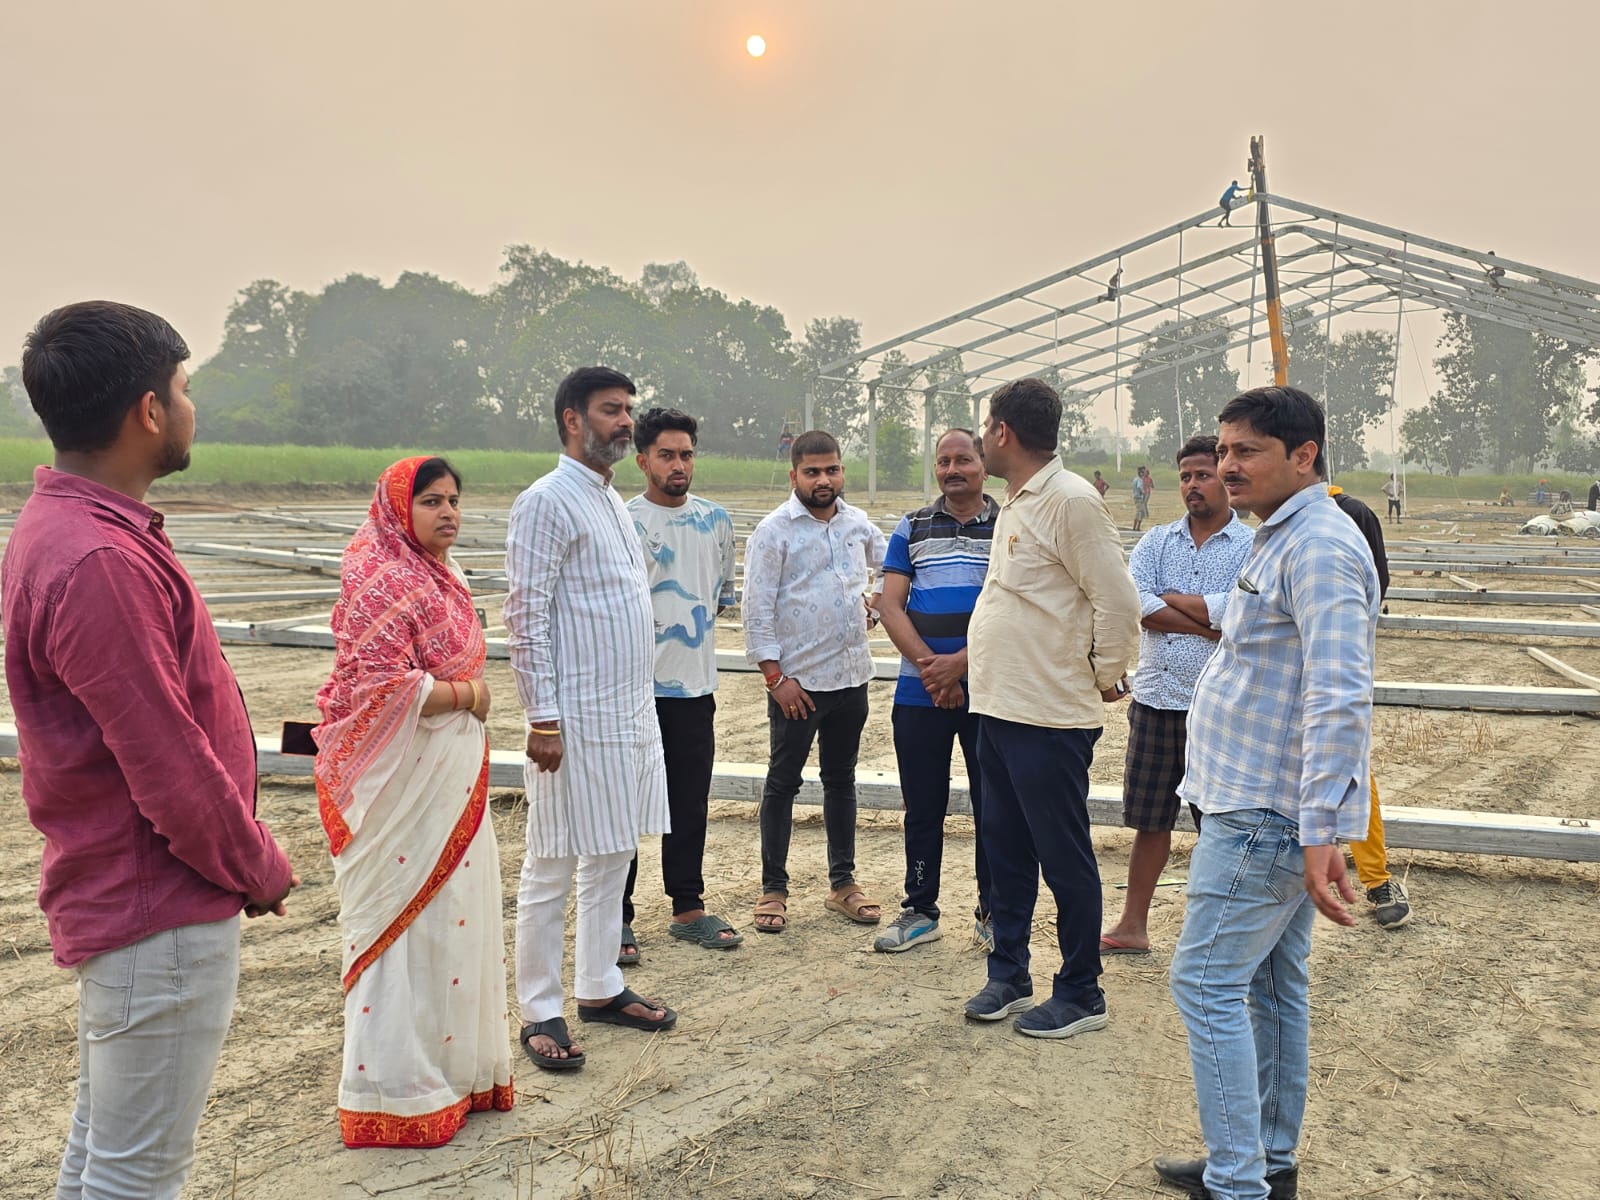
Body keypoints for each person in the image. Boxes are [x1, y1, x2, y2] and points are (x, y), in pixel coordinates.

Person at [2, 301, 298, 1198]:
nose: (191, 404)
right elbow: (167, 764)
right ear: (148, 412)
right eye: (185, 386)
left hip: (135, 898)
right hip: (155, 907)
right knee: (138, 1179)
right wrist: (257, 865)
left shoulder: (74, 531)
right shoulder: (99, 560)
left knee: (103, 1160)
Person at [1156, 386, 1380, 1200]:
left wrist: (1325, 827)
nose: (1225, 467)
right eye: (1223, 451)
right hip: (1254, 802)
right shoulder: (1278, 536)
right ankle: (1264, 1160)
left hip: (1267, 813)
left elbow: (1339, 692)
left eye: (1245, 452)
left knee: (1206, 981)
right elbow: (1253, 624)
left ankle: (1240, 1183)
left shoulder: (1320, 546)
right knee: (1272, 985)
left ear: (1305, 455)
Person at [313, 456, 514, 1146]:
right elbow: (381, 690)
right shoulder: (381, 578)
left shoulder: (445, 576)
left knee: (456, 918)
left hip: (451, 774)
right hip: (404, 784)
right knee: (404, 927)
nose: (448, 512)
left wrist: (464, 705)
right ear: (400, 509)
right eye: (431, 501)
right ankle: (395, 1092)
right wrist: (472, 696)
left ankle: (454, 1077)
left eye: (455, 499)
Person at [505, 366, 678, 1073]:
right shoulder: (546, 502)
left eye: (628, 410)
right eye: (612, 410)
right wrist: (542, 716)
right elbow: (527, 613)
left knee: (613, 852)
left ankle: (600, 986)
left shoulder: (608, 500)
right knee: (552, 861)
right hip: (571, 717)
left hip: (628, 710)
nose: (624, 421)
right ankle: (540, 1006)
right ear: (572, 419)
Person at [962, 377, 1141, 1038]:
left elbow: (1118, 601)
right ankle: (1009, 972)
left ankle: (1081, 989)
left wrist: (1104, 673)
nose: (982, 438)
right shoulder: (1018, 501)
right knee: (1004, 849)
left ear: (1003, 432)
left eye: (986, 427)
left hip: (1049, 715)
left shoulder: (1070, 501)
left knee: (1062, 855)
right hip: (1000, 708)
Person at [1099, 435, 1251, 956]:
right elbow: (1131, 600)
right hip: (1158, 699)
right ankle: (1133, 925)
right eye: (1185, 476)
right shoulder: (1157, 542)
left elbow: (1241, 615)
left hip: (1221, 704)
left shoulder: (1253, 546)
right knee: (1150, 819)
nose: (1193, 485)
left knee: (1222, 823)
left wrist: (1177, 604)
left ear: (1225, 478)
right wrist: (1206, 620)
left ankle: (1216, 937)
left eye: (1203, 474)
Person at [743, 430, 888, 932]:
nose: (823, 480)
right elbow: (756, 609)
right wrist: (775, 677)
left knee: (840, 779)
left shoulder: (857, 523)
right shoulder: (775, 531)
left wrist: (877, 606)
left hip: (851, 679)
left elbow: (891, 566)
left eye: (832, 470)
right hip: (798, 687)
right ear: (794, 476)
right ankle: (773, 888)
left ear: (842, 472)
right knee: (783, 782)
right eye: (812, 472)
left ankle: (843, 883)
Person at [620, 407, 743, 957]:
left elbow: (719, 598)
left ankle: (687, 906)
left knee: (689, 801)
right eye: (666, 455)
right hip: (633, 691)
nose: (678, 465)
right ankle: (615, 915)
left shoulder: (716, 522)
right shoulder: (623, 523)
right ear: (642, 460)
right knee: (623, 804)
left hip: (694, 688)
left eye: (686, 454)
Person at [873, 428, 999, 953]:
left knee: (995, 804)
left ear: (983, 465)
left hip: (991, 690)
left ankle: (994, 910)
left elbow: (1014, 609)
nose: (952, 470)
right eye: (944, 461)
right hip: (919, 692)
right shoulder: (913, 526)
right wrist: (934, 670)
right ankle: (920, 908)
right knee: (923, 804)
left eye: (963, 460)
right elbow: (890, 605)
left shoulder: (1009, 524)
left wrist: (962, 667)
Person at [1324, 478, 1414, 930]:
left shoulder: (1352, 513)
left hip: (1336, 664)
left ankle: (1377, 879)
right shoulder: (1267, 520)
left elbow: (1375, 587)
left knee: (1353, 770)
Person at [1132, 465, 1151, 531]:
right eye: (1143, 472)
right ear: (1141, 472)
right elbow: (1139, 487)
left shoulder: (1135, 479)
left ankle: (1135, 527)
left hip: (1136, 497)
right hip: (1139, 498)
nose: (1144, 473)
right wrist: (1143, 493)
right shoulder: (1139, 480)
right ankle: (1137, 528)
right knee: (1140, 512)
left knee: (1139, 512)